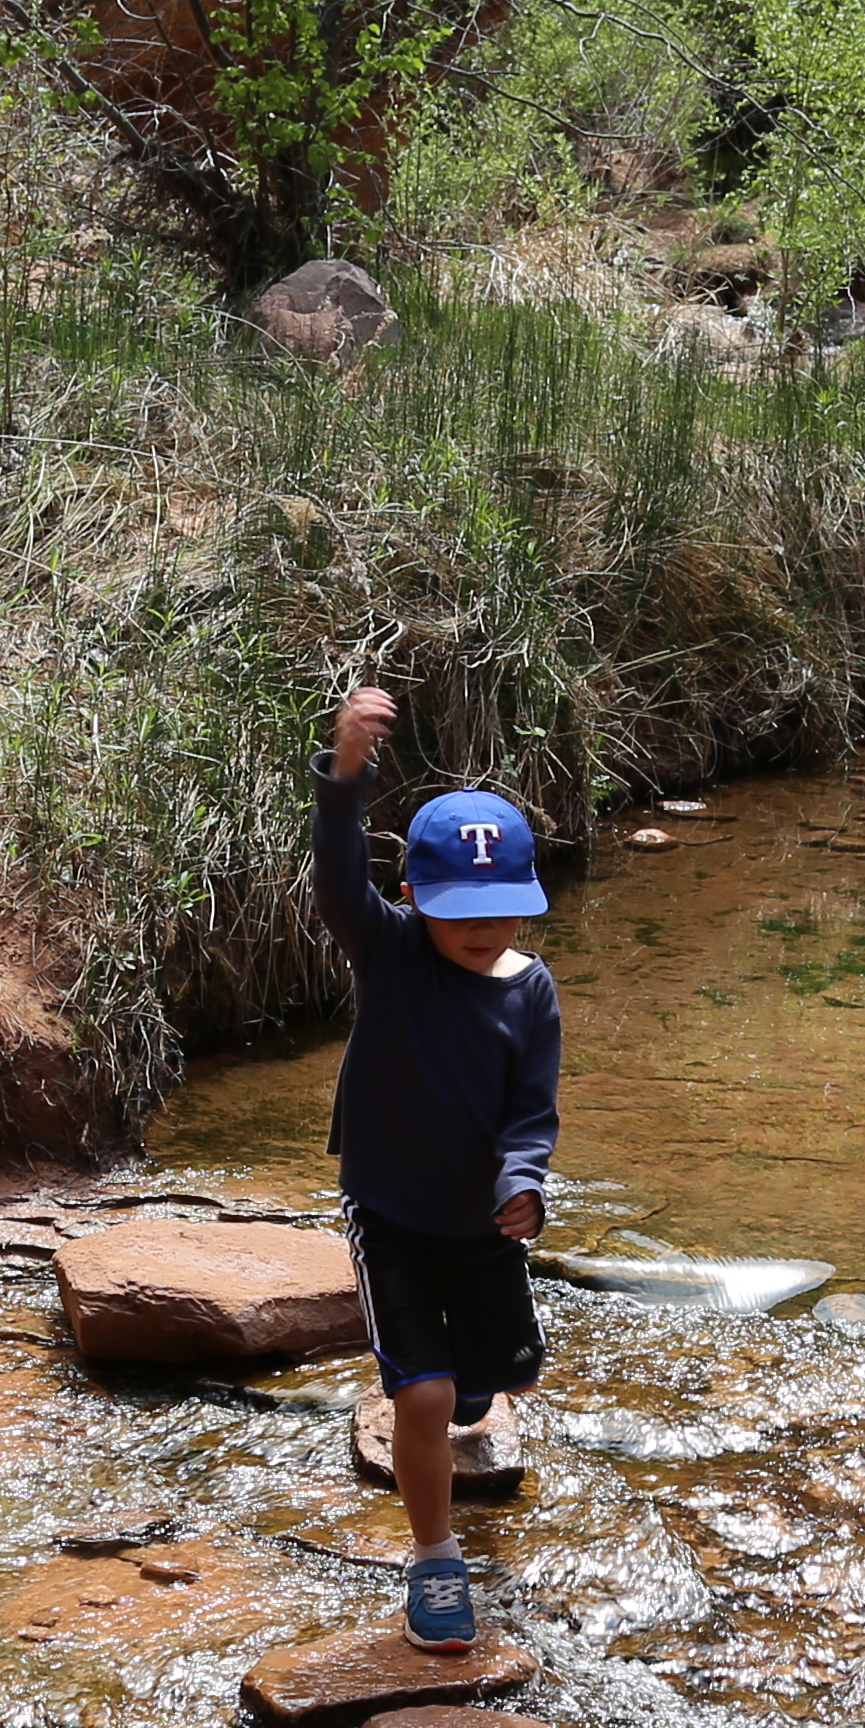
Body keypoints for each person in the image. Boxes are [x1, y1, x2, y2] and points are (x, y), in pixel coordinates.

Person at [314, 685, 561, 1644]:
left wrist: (523, 1183)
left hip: (482, 1223)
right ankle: (435, 1560)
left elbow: (530, 1114)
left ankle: (466, 1390)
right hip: (392, 1214)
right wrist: (344, 776)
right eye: (463, 912)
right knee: (419, 1392)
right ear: (414, 897)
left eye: (503, 913)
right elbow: (338, 884)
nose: (484, 931)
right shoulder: (390, 951)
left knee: (501, 1378)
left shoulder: (529, 991)